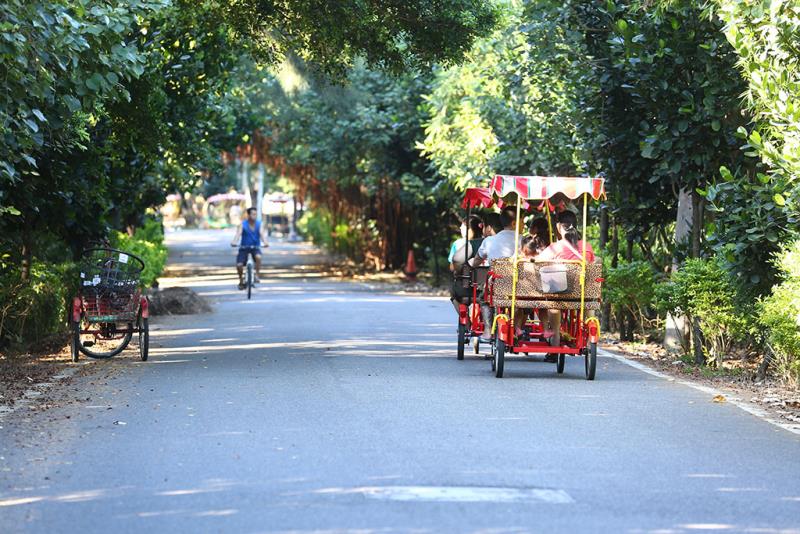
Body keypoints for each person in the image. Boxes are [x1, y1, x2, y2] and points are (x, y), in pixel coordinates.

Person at [536, 209, 596, 355]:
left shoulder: (555, 248)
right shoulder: (586, 246)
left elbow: (537, 264)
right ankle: (591, 329)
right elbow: (593, 265)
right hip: (582, 295)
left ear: (558, 227)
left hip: (559, 293)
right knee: (587, 295)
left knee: (554, 303)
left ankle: (555, 335)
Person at [472, 206, 523, 341]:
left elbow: (477, 260)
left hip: (495, 284)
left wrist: (471, 265)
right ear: (514, 223)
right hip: (520, 286)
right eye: (522, 221)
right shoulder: (523, 239)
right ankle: (517, 327)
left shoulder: (489, 241)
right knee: (525, 301)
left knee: (484, 300)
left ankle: (488, 332)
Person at [231, 207, 269, 290]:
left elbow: (262, 234)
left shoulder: (259, 224)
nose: (254, 216)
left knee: (258, 257)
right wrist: (234, 242)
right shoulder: (243, 224)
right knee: (239, 265)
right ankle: (241, 280)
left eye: (256, 214)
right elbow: (238, 234)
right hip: (244, 247)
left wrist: (265, 242)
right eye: (253, 214)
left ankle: (257, 275)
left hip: (255, 247)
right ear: (248, 215)